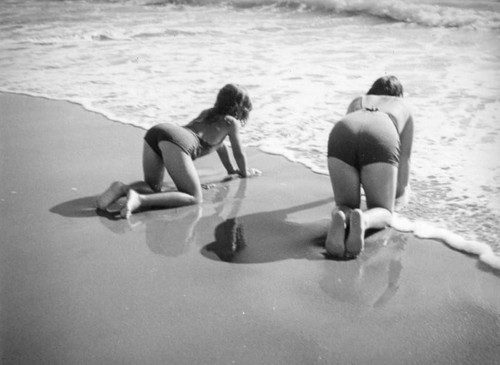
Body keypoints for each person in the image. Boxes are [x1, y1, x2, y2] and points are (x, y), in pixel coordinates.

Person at [97, 84, 259, 218]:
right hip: (177, 141)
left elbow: (221, 147)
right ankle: (139, 199)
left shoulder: (208, 114)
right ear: (239, 108)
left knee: (153, 186)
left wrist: (231, 171)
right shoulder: (231, 123)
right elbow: (239, 152)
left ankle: (122, 188)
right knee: (194, 198)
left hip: (159, 131)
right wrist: (245, 173)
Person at [325, 76, 414, 258]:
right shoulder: (403, 107)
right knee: (384, 211)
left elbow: (356, 141)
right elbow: (404, 160)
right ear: (399, 95)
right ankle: (364, 220)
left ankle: (340, 215)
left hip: (342, 130)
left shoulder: (358, 101)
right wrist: (399, 196)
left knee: (345, 204)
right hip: (381, 132)